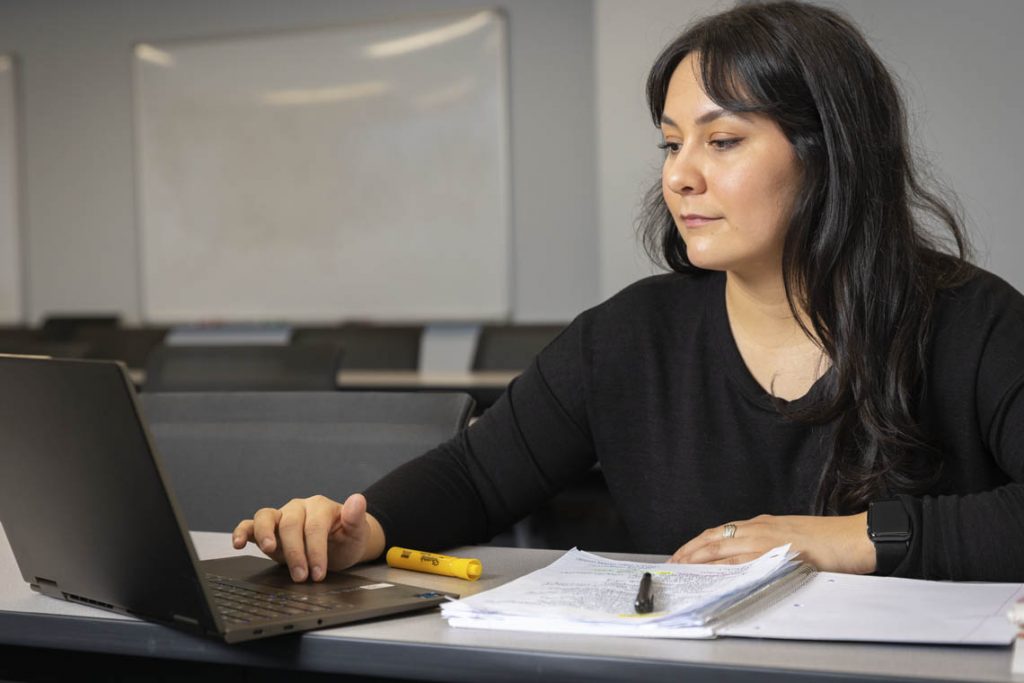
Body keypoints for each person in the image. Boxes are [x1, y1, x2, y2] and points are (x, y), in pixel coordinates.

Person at [233, 1, 1024, 583]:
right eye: (672, 143)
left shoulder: (972, 321)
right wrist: (360, 529)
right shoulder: (627, 337)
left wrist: (845, 537)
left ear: (831, 155)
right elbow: (475, 475)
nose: (681, 174)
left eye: (722, 140)